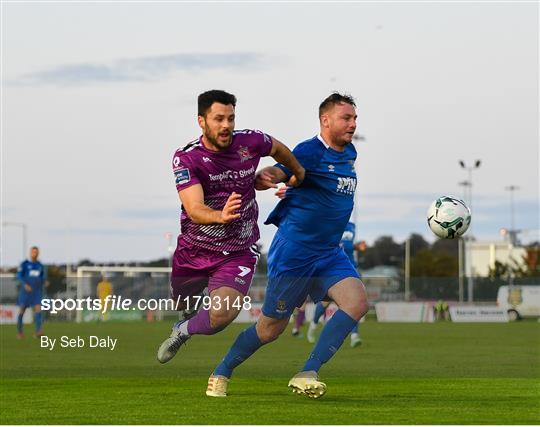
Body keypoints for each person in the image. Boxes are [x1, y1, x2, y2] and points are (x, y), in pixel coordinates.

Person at [206, 93, 369, 398]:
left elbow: (311, 184)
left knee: (358, 302)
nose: (353, 124)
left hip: (329, 252)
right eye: (346, 118)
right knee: (270, 329)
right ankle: (221, 371)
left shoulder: (350, 153)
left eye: (355, 118)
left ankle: (307, 372)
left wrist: (294, 189)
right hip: (295, 253)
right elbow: (285, 169)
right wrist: (271, 175)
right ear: (326, 120)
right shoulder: (310, 150)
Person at [157, 90, 305, 364]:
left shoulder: (250, 141)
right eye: (218, 119)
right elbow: (194, 208)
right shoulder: (186, 158)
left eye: (231, 118)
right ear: (202, 121)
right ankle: (186, 314)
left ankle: (181, 331)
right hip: (194, 249)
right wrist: (220, 216)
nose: (226, 125)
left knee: (222, 315)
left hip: (238, 250)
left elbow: (278, 148)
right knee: (180, 303)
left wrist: (297, 171)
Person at [307, 221, 363, 347]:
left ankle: (354, 336)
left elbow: (348, 245)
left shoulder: (352, 226)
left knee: (354, 303)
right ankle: (313, 325)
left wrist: (356, 247)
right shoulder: (329, 221)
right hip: (333, 268)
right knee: (325, 303)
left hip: (351, 268)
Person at [16, 246, 47, 338]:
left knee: (38, 309)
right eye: (33, 252)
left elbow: (42, 277)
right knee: (22, 311)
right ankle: (20, 332)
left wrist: (45, 281)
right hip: (25, 292)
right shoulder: (24, 264)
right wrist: (25, 285)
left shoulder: (40, 265)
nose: (35, 254)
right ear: (30, 253)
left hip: (36, 292)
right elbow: (19, 276)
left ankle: (38, 331)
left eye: (36, 252)